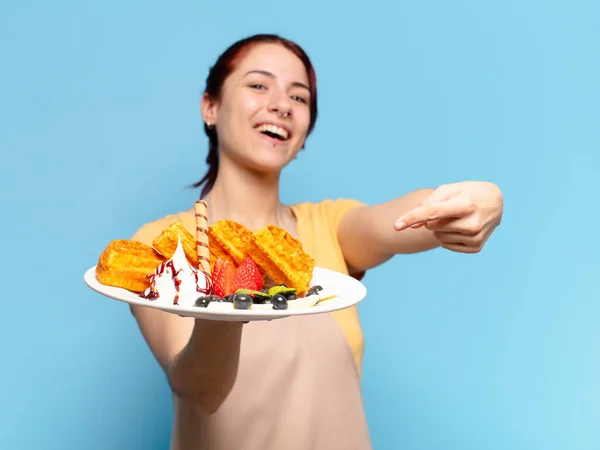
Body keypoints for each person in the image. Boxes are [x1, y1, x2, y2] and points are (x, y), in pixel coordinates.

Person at [129, 34, 504, 450]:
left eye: (300, 98)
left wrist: (468, 201)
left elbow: (399, 220)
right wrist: (226, 299)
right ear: (210, 107)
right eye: (258, 85)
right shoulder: (161, 248)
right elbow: (199, 388)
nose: (282, 104)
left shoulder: (328, 228)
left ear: (305, 132)